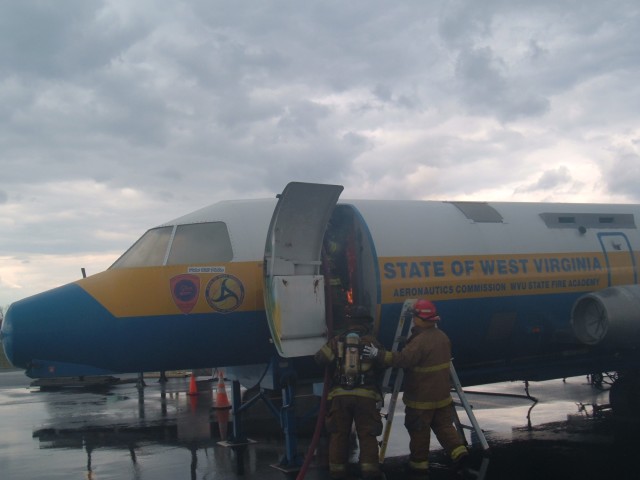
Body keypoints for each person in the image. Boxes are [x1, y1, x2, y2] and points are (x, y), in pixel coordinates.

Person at [363, 299, 468, 478]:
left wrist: (377, 354)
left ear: (420, 319)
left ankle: (418, 467)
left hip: (421, 399)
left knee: (419, 431)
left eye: (414, 317)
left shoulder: (420, 341)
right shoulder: (442, 337)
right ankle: (459, 453)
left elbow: (403, 360)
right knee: (444, 426)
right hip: (442, 396)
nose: (412, 320)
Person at [315, 305, 386, 480]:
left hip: (340, 396)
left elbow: (319, 359)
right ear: (366, 324)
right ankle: (370, 473)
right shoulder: (372, 342)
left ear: (350, 323)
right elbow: (383, 363)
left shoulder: (337, 340)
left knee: (338, 434)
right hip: (366, 397)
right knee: (367, 435)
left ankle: (338, 473)